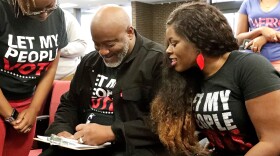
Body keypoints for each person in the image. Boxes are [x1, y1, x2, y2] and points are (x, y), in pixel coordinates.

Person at [151, 2, 280, 156]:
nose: (168, 50)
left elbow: (273, 141)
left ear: (197, 41)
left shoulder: (249, 67)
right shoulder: (191, 77)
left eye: (174, 43)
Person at [40, 5, 168, 156]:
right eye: (97, 44)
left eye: (110, 45)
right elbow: (70, 103)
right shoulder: (90, 62)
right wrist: (62, 130)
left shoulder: (158, 61)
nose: (103, 52)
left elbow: (165, 122)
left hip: (128, 147)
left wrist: (111, 132)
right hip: (83, 145)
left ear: (129, 33)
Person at [0, 0, 67, 156]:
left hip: (27, 105)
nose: (44, 15)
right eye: (35, 10)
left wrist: (34, 109)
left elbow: (50, 69)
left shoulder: (58, 15)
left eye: (49, 7)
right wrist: (10, 115)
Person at [235, 0, 280, 71]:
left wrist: (265, 38)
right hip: (251, 62)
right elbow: (239, 39)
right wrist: (260, 30)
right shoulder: (247, 3)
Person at [55, 9, 87, 80]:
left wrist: (55, 48)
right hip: (34, 78)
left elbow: (81, 46)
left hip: (66, 77)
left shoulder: (66, 16)